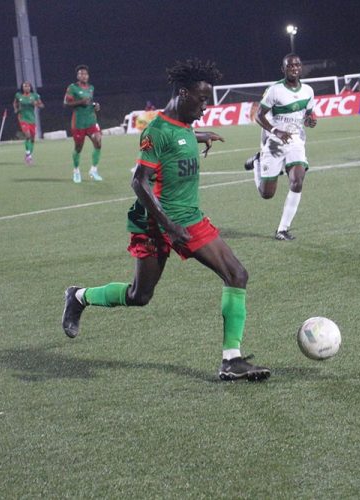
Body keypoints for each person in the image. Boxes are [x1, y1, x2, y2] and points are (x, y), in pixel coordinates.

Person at [61, 59, 271, 382]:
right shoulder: (155, 131)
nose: (205, 106)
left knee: (237, 274)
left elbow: (181, 135)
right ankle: (78, 296)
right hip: (156, 223)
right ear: (183, 94)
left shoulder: (183, 124)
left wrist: (201, 136)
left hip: (189, 218)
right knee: (138, 296)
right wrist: (167, 224)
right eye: (201, 99)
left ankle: (232, 359)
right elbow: (139, 182)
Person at [243, 53, 317, 241]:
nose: (294, 68)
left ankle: (282, 229)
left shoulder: (308, 91)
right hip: (274, 142)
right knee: (267, 194)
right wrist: (275, 131)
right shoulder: (274, 90)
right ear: (283, 69)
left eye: (297, 65)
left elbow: (308, 114)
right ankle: (258, 162)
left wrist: (310, 120)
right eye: (290, 66)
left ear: (301, 68)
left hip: (296, 141)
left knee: (297, 181)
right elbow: (259, 116)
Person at [64, 64, 103, 183]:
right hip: (79, 123)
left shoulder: (91, 88)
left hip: (91, 121)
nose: (84, 76)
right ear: (77, 76)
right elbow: (66, 103)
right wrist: (81, 102)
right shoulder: (72, 88)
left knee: (98, 142)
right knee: (78, 148)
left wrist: (95, 106)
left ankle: (93, 170)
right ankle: (76, 171)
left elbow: (89, 102)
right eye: (81, 74)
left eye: (85, 74)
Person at [13, 81, 44, 165]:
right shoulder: (18, 95)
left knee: (33, 139)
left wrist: (36, 104)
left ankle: (29, 154)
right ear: (22, 87)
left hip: (32, 119)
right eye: (24, 86)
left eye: (28, 86)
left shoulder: (35, 95)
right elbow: (15, 102)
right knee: (27, 135)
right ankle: (28, 155)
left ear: (30, 87)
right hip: (22, 118)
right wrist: (16, 109)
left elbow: (41, 105)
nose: (26, 88)